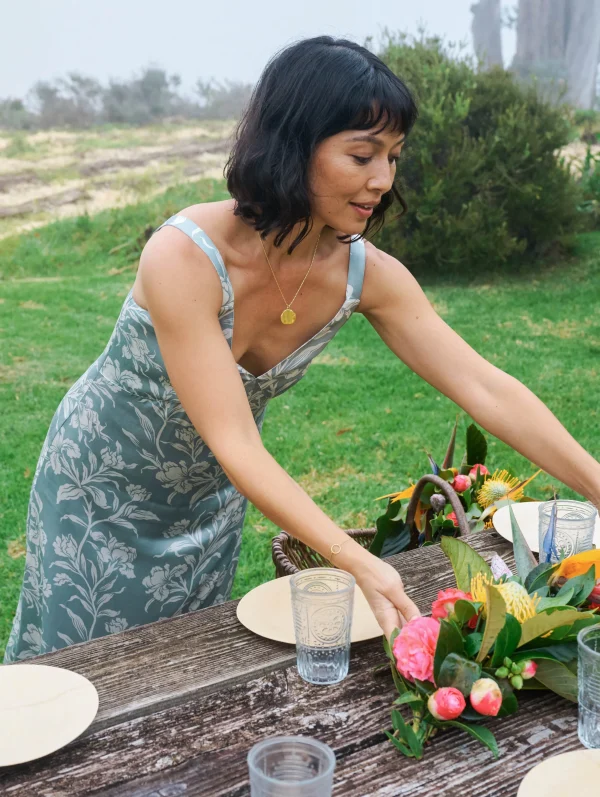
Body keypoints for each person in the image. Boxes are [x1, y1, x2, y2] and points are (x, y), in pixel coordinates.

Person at [5, 36, 600, 664]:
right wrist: (357, 563)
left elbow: (485, 386)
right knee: (74, 671)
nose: (382, 179)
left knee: (172, 667)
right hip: (97, 490)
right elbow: (236, 440)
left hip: (213, 498)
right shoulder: (182, 257)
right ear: (293, 144)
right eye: (362, 154)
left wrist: (595, 482)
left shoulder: (365, 275)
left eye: (393, 157)